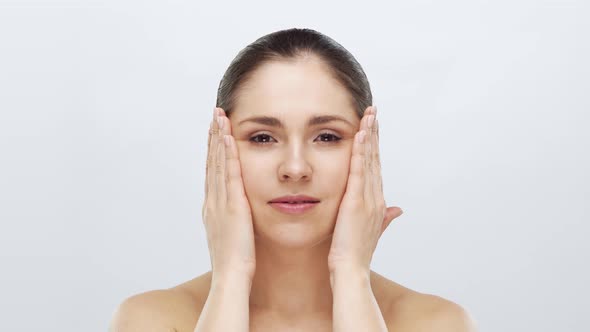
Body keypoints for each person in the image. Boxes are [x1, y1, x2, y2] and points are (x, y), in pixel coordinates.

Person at [109, 28, 477, 331]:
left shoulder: (435, 322)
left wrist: (350, 275)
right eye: (262, 138)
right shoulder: (153, 319)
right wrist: (231, 276)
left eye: (327, 137)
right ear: (218, 150)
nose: (295, 168)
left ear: (368, 149)